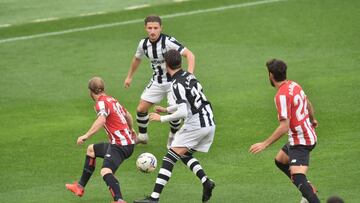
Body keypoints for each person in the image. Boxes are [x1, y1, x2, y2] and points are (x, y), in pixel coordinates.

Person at [133, 50, 215, 203]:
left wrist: (162, 118)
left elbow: (183, 112)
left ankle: (154, 198)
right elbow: (189, 101)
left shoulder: (176, 84)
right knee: (184, 154)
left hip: (196, 124)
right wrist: (167, 109)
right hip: (209, 122)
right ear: (180, 63)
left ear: (166, 65)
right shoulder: (190, 76)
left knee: (169, 157)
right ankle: (206, 182)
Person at [249, 59, 320, 203]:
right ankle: (306, 189)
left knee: (297, 176)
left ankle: (309, 194)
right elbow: (308, 103)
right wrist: (312, 119)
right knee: (281, 161)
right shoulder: (294, 85)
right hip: (306, 134)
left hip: (301, 140)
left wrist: (265, 144)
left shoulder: (281, 96)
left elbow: (284, 126)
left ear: (270, 75)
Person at [124, 15, 195, 145]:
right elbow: (137, 59)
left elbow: (189, 55)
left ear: (161, 28)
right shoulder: (143, 44)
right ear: (145, 28)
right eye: (150, 28)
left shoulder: (168, 42)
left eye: (155, 28)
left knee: (176, 109)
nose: (152, 31)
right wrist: (129, 77)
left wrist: (189, 76)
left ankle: (173, 136)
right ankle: (143, 136)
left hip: (174, 82)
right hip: (157, 81)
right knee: (141, 108)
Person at [65, 77, 136, 203]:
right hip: (125, 142)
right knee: (91, 150)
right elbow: (128, 115)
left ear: (90, 92)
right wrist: (131, 129)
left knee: (105, 171)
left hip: (120, 145)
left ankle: (119, 200)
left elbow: (102, 119)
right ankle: (79, 187)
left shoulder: (101, 103)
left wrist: (86, 135)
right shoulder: (112, 99)